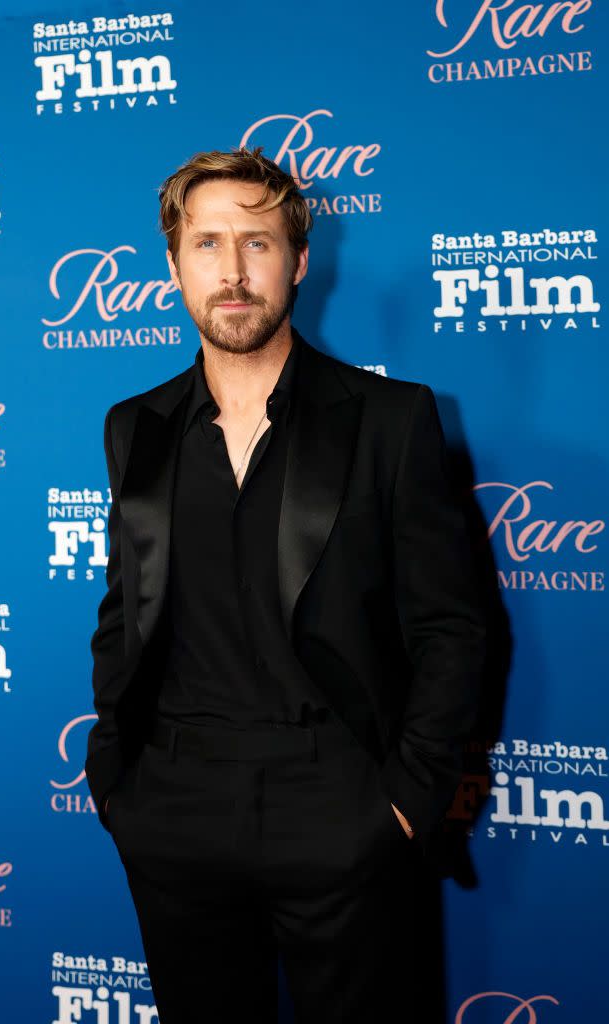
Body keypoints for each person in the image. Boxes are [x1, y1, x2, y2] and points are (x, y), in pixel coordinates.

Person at [84, 145, 487, 1023]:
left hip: (339, 803)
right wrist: (115, 774)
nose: (231, 272)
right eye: (207, 244)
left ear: (298, 261)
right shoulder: (136, 428)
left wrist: (403, 804)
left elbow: (452, 628)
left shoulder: (389, 420)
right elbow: (124, 608)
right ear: (173, 266)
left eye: (257, 243)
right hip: (172, 806)